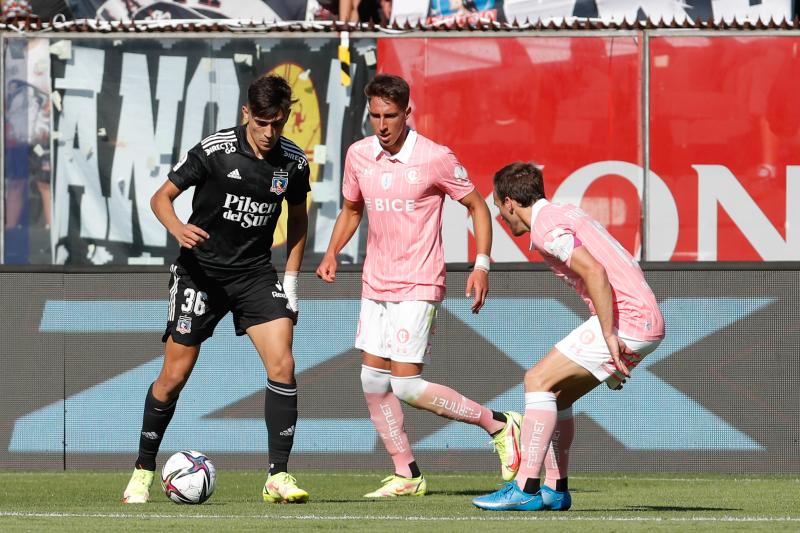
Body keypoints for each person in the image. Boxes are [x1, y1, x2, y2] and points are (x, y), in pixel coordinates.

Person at [316, 73, 521, 498]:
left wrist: (482, 265)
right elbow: (352, 210)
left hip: (418, 282)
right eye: (375, 116)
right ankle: (407, 473)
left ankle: (499, 425)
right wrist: (332, 251)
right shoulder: (359, 155)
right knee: (373, 382)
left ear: (408, 112)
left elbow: (477, 207)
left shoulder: (434, 158)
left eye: (390, 116)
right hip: (375, 283)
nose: (382, 125)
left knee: (406, 385)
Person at [122, 75, 311, 504]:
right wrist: (177, 228)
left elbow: (299, 220)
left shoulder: (293, 162)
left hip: (255, 275)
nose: (269, 132)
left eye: (277, 123)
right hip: (201, 274)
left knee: (283, 363)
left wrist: (292, 281)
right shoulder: (215, 150)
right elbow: (161, 198)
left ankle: (278, 476)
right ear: (246, 114)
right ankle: (142, 471)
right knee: (173, 377)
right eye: (261, 122)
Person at [473, 162, 665, 511]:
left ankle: (525, 487)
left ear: (510, 203)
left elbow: (595, 271)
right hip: (645, 319)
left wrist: (609, 335)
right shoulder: (563, 213)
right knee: (557, 397)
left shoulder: (546, 228)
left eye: (499, 207)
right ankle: (556, 488)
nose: (501, 216)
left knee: (536, 380)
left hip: (629, 320)